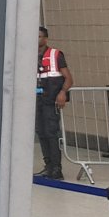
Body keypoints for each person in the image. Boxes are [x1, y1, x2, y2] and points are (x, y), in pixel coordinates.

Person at [35, 26, 72, 180]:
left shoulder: (55, 55)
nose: (36, 39)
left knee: (51, 133)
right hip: (37, 101)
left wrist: (62, 92)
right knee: (41, 132)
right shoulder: (29, 56)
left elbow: (68, 78)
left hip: (51, 101)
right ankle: (48, 166)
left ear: (45, 38)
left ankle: (56, 168)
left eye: (39, 36)